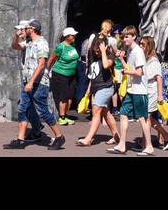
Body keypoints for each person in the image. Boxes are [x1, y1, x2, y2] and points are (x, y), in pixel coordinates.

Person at [8, 20, 64, 149]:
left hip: (39, 83)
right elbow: (14, 46)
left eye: (26, 28)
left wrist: (31, 82)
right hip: (28, 82)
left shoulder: (41, 43)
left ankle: (59, 137)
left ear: (32, 29)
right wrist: (16, 36)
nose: (24, 30)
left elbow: (42, 64)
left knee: (43, 111)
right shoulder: (28, 42)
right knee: (22, 109)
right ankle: (20, 140)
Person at [111, 26, 156, 155]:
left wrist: (126, 71)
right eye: (123, 37)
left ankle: (149, 146)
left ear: (134, 37)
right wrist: (120, 60)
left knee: (142, 118)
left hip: (140, 91)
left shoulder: (137, 51)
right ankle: (122, 144)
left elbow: (139, 72)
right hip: (131, 90)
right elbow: (129, 68)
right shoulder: (130, 51)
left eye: (127, 37)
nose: (124, 39)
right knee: (123, 114)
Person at [77, 34, 120, 147]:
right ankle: (116, 137)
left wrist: (104, 51)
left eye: (98, 50)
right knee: (106, 113)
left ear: (105, 47)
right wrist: (88, 90)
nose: (97, 53)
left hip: (106, 88)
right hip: (96, 88)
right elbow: (93, 75)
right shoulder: (93, 57)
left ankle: (88, 139)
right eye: (95, 51)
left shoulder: (110, 56)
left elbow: (106, 65)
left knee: (96, 111)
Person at [50, 27, 80, 125]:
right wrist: (47, 71)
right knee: (63, 96)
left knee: (70, 96)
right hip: (60, 74)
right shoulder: (61, 47)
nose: (74, 36)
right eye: (72, 35)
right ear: (67, 36)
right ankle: (61, 118)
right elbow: (52, 59)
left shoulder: (72, 46)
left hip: (71, 75)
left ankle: (65, 115)